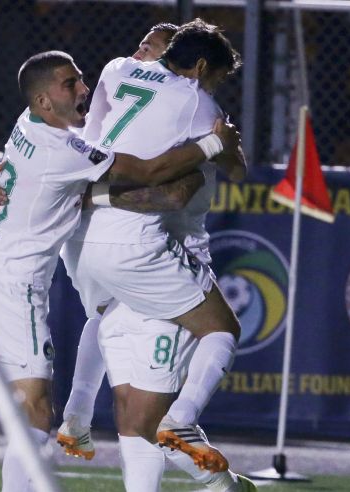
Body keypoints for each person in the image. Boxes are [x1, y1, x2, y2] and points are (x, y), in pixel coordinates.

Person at [0, 49, 236, 492]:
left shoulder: (29, 123)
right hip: (17, 285)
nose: (85, 89)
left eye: (81, 78)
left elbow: (19, 165)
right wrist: (213, 144)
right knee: (37, 409)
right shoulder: (66, 150)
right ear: (44, 101)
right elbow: (146, 170)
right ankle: (112, 423)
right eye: (71, 84)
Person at [59, 19, 252, 491]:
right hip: (146, 251)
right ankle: (184, 421)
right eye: (218, 78)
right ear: (201, 67)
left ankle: (77, 417)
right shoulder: (194, 101)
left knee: (132, 411)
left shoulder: (118, 70)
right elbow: (229, 168)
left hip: (82, 240)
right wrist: (218, 141)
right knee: (216, 337)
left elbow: (99, 138)